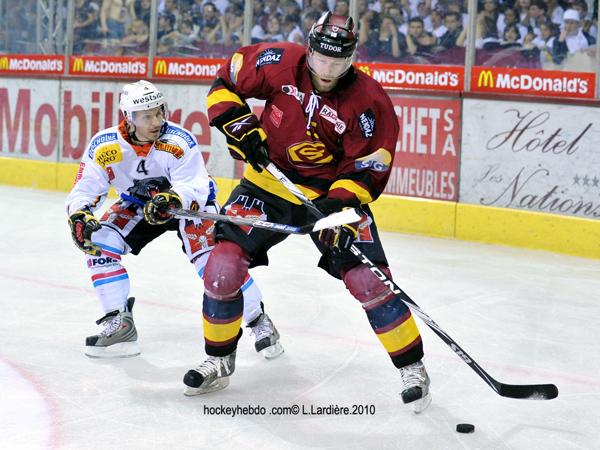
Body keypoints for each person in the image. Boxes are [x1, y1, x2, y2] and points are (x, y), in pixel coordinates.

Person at [184, 11, 431, 413]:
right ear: (310, 48)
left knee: (370, 282)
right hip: (268, 184)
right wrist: (242, 126)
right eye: (321, 59)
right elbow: (225, 82)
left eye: (338, 62)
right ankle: (218, 358)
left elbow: (367, 169)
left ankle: (412, 368)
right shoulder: (279, 61)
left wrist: (337, 211)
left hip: (329, 197)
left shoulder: (370, 102)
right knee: (222, 269)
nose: (327, 69)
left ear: (351, 59)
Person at [65, 80, 283, 361]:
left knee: (214, 266)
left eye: (160, 112)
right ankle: (119, 322)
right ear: (128, 118)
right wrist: (79, 213)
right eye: (147, 116)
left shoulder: (178, 140)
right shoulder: (104, 146)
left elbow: (195, 184)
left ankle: (258, 320)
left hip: (187, 206)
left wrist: (173, 197)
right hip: (139, 205)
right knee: (98, 242)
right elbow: (85, 188)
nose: (157, 121)